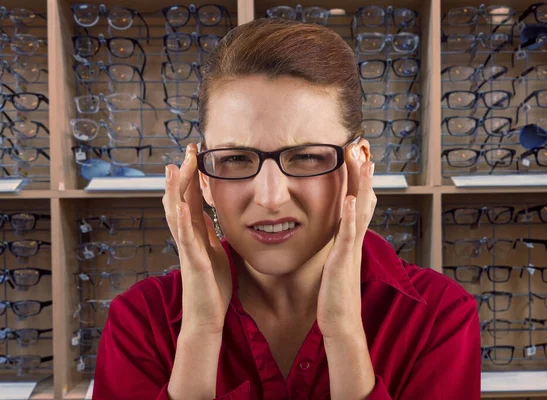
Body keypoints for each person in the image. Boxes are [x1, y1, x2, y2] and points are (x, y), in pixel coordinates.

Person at [94, 18, 480, 400]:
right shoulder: (141, 320)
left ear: (357, 166)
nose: (270, 197)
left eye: (307, 157)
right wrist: (201, 330)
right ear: (204, 179)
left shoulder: (439, 317)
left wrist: (344, 330)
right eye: (236, 159)